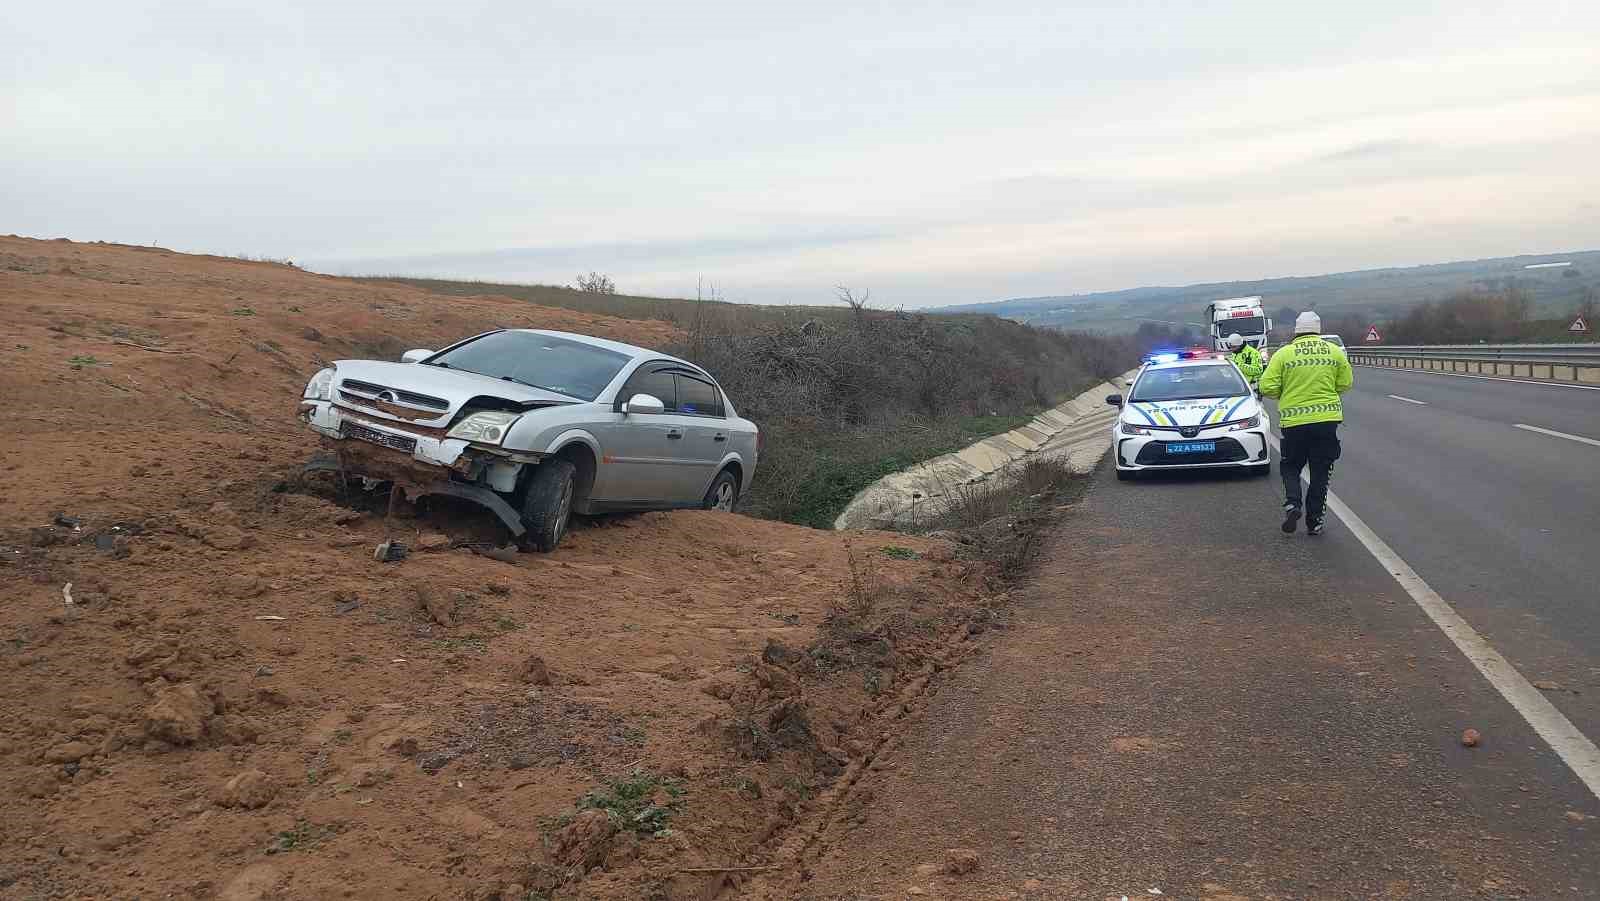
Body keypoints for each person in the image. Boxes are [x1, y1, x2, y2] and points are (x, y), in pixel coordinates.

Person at [1258, 311, 1352, 536]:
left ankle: (1293, 504)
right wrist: (1327, 392)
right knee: (1321, 472)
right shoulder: (1334, 352)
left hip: (1295, 422)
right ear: (1318, 329)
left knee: (1290, 466)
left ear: (1296, 330)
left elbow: (1266, 386)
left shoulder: (1284, 354)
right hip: (1326, 421)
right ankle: (1315, 521)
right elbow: (1346, 383)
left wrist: (1286, 393)